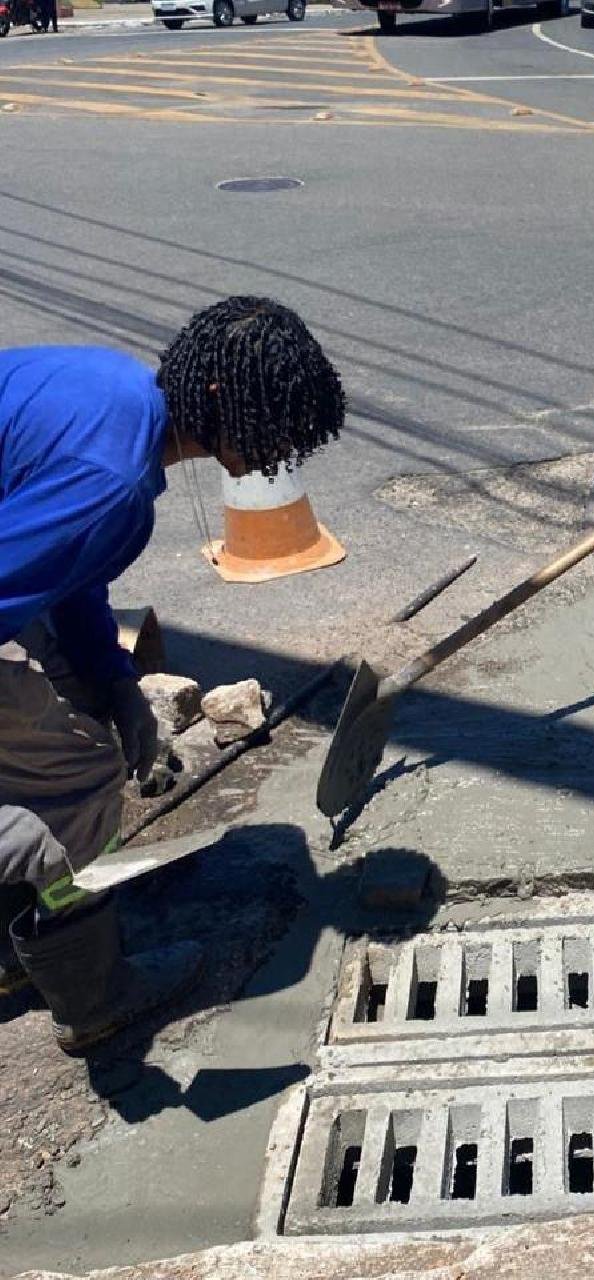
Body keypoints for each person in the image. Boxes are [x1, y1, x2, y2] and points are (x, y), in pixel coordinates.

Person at [0, 297, 344, 1053]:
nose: (284, 450)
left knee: (67, 715)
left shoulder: (111, 389)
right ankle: (94, 999)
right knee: (82, 783)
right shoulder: (114, 483)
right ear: (223, 398)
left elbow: (67, 573)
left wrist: (115, 684)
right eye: (279, 421)